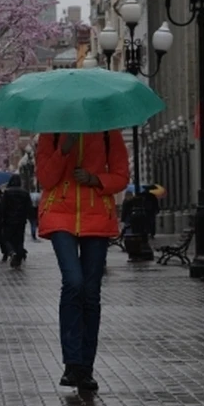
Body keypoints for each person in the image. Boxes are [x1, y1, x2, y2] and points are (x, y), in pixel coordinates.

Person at [36, 130, 129, 392]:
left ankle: (85, 368)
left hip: (97, 214)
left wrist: (96, 179)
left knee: (90, 292)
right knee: (73, 282)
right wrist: (64, 149)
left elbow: (121, 175)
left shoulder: (108, 132)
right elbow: (45, 178)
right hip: (59, 215)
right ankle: (72, 362)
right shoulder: (51, 133)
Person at [0, 174, 33, 268]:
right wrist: (29, 217)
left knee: (7, 238)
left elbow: (3, 207)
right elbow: (29, 207)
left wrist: (1, 218)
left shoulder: (7, 192)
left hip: (9, 220)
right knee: (19, 240)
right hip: (21, 220)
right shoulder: (25, 193)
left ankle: (11, 252)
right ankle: (18, 259)